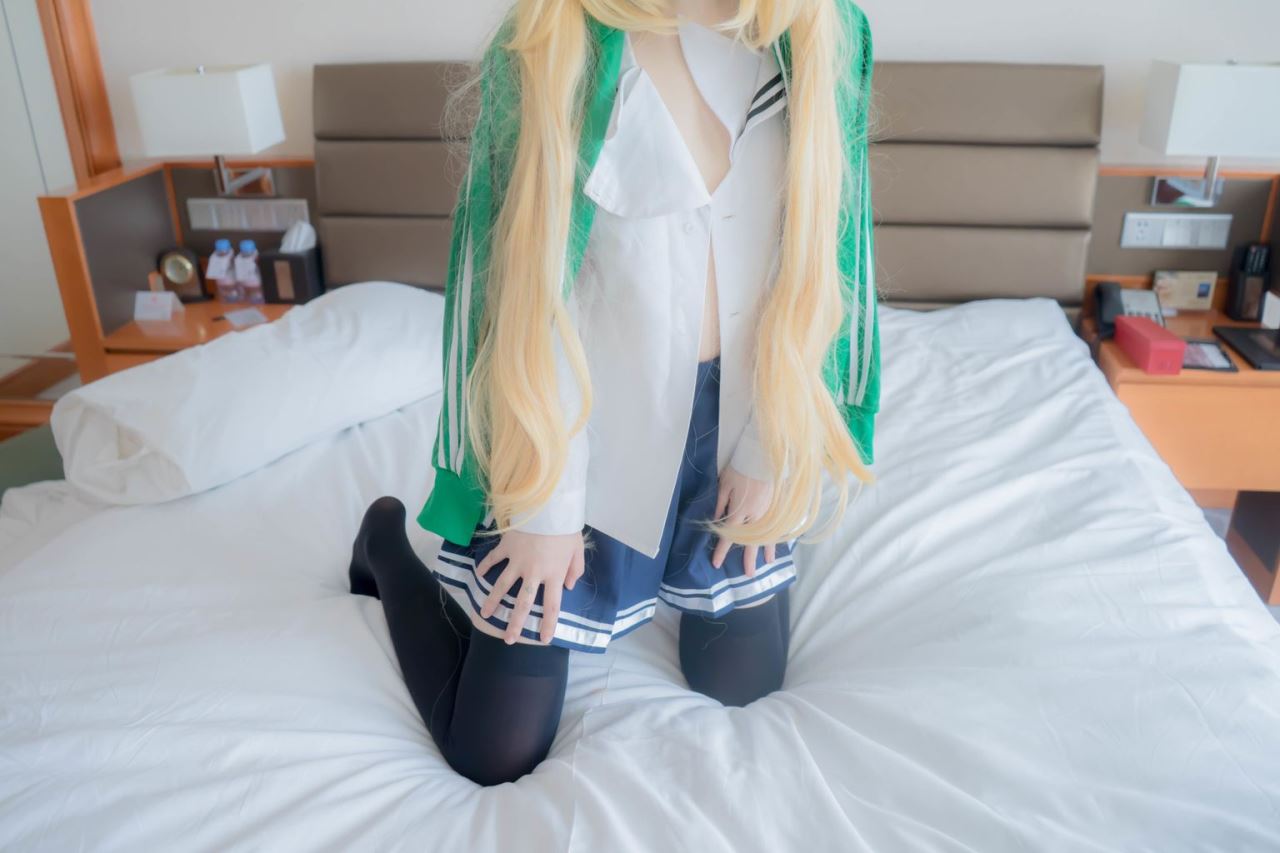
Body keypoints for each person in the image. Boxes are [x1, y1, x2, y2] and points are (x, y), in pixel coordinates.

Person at [349, 0, 880, 786]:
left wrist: (769, 450)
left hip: (739, 423)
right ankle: (385, 543)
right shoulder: (552, 45)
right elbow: (524, 303)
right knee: (492, 750)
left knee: (741, 686)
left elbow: (823, 261)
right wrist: (546, 511)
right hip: (580, 432)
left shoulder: (819, 35)